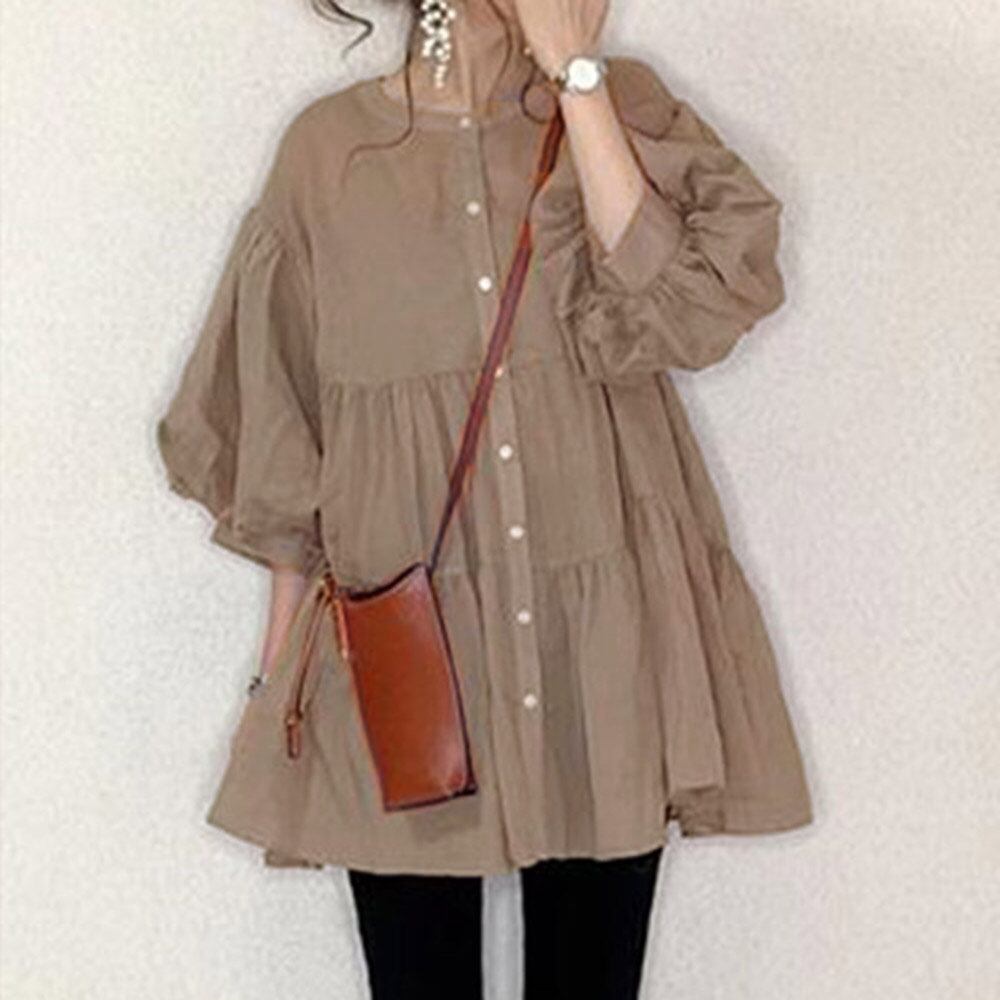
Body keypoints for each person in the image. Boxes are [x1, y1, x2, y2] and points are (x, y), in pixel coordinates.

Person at [155, 0, 813, 995]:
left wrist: (578, 78)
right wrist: (279, 679)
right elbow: (282, 424)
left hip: (600, 651)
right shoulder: (327, 156)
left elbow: (683, 310)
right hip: (409, 662)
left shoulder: (617, 111)